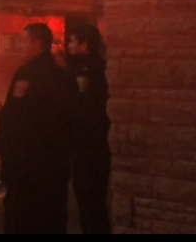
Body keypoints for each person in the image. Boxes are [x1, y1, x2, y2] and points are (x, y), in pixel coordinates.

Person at [0, 22, 76, 234]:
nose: (19, 46)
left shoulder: (27, 75)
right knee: (52, 219)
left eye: (23, 41)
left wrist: (6, 155)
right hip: (55, 167)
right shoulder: (64, 76)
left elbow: (14, 119)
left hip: (27, 168)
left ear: (37, 44)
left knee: (24, 220)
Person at [65, 23, 112, 235]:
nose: (68, 45)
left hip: (89, 146)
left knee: (90, 200)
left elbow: (83, 108)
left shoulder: (89, 71)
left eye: (73, 41)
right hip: (87, 145)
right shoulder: (92, 68)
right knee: (89, 202)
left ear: (84, 45)